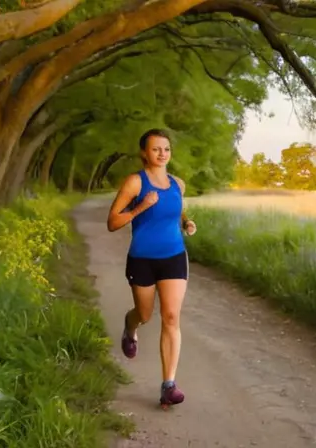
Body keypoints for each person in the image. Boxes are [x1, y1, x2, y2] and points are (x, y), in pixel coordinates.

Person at [106, 128, 197, 409]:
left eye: (166, 149)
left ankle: (168, 385)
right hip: (142, 258)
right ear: (144, 153)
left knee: (171, 317)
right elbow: (112, 222)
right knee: (144, 314)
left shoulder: (177, 184)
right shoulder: (135, 183)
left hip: (174, 256)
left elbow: (177, 209)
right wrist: (139, 208)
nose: (162, 153)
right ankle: (130, 327)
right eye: (156, 149)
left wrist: (186, 222)